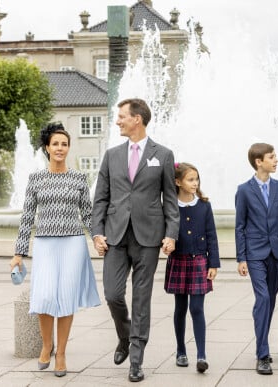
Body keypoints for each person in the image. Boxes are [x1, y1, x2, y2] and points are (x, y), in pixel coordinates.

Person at [92, 98, 180, 383]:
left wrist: (171, 233)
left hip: (149, 236)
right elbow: (100, 198)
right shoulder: (111, 155)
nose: (117, 120)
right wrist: (97, 231)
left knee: (141, 299)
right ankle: (125, 336)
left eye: (121, 116)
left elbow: (170, 199)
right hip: (115, 235)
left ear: (137, 119)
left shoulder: (163, 155)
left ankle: (137, 361)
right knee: (113, 294)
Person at [9, 122, 100, 377]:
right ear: (47, 148)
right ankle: (47, 344)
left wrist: (96, 238)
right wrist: (19, 253)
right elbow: (27, 217)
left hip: (73, 243)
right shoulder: (36, 179)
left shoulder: (79, 178)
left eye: (64, 144)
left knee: (67, 299)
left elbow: (88, 215)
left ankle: (61, 353)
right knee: (45, 297)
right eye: (55, 144)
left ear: (68, 148)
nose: (60, 148)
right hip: (46, 244)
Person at [235, 142, 278, 375]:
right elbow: (239, 226)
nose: (276, 160)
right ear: (259, 161)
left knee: (268, 300)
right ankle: (263, 355)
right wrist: (241, 258)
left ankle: (261, 342)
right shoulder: (244, 190)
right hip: (255, 254)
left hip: (277, 254)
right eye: (272, 157)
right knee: (263, 299)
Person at [164, 162, 220, 373]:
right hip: (178, 260)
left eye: (196, 179)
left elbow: (212, 235)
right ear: (178, 182)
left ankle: (201, 355)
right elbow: (165, 230)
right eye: (190, 179)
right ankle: (180, 351)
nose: (195, 183)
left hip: (199, 262)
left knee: (197, 308)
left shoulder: (204, 205)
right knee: (180, 308)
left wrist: (213, 263)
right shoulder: (169, 206)